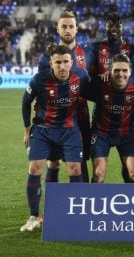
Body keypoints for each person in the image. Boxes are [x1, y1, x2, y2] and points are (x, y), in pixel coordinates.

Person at [20, 45, 89, 231]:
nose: (62, 66)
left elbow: (94, 91)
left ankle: (77, 215)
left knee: (75, 169)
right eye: (58, 62)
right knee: (35, 167)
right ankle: (33, 216)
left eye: (66, 61)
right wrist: (27, 130)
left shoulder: (81, 75)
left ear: (71, 62)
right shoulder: (39, 80)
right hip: (43, 130)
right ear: (51, 63)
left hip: (69, 130)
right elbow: (26, 102)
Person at [85, 13, 134, 183]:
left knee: (133, 173)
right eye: (111, 25)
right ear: (106, 27)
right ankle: (93, 205)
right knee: (98, 173)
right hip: (103, 117)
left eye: (118, 25)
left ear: (123, 27)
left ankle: (132, 203)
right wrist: (97, 78)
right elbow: (82, 72)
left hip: (127, 121)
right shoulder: (95, 48)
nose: (114, 28)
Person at [38, 10, 90, 183]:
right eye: (64, 27)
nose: (67, 30)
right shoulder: (47, 57)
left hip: (81, 116)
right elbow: (41, 88)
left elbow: (93, 82)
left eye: (71, 27)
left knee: (79, 163)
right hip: (55, 120)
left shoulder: (88, 53)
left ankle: (82, 204)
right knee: (53, 162)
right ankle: (53, 206)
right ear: (57, 29)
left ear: (76, 29)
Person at [85, 54, 134, 183]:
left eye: (124, 70)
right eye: (117, 70)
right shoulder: (99, 85)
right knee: (99, 174)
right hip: (101, 134)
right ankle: (94, 201)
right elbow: (77, 91)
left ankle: (132, 201)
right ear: (110, 71)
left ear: (130, 72)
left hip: (127, 134)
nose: (121, 74)